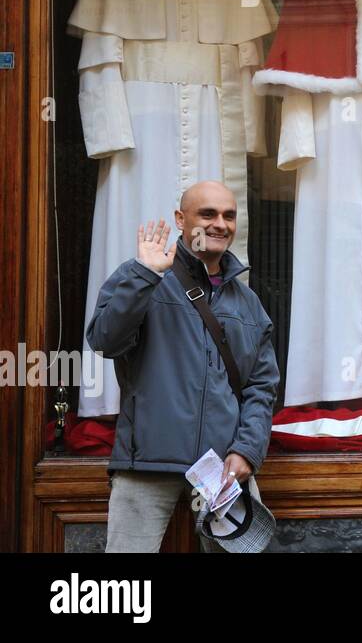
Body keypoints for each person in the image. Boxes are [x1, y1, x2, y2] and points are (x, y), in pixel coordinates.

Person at [88, 180, 280, 553]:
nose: (219, 224)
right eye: (207, 213)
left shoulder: (248, 302)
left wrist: (246, 450)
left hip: (221, 467)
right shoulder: (144, 276)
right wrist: (145, 275)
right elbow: (104, 340)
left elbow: (262, 387)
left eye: (228, 215)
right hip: (145, 463)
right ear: (181, 218)